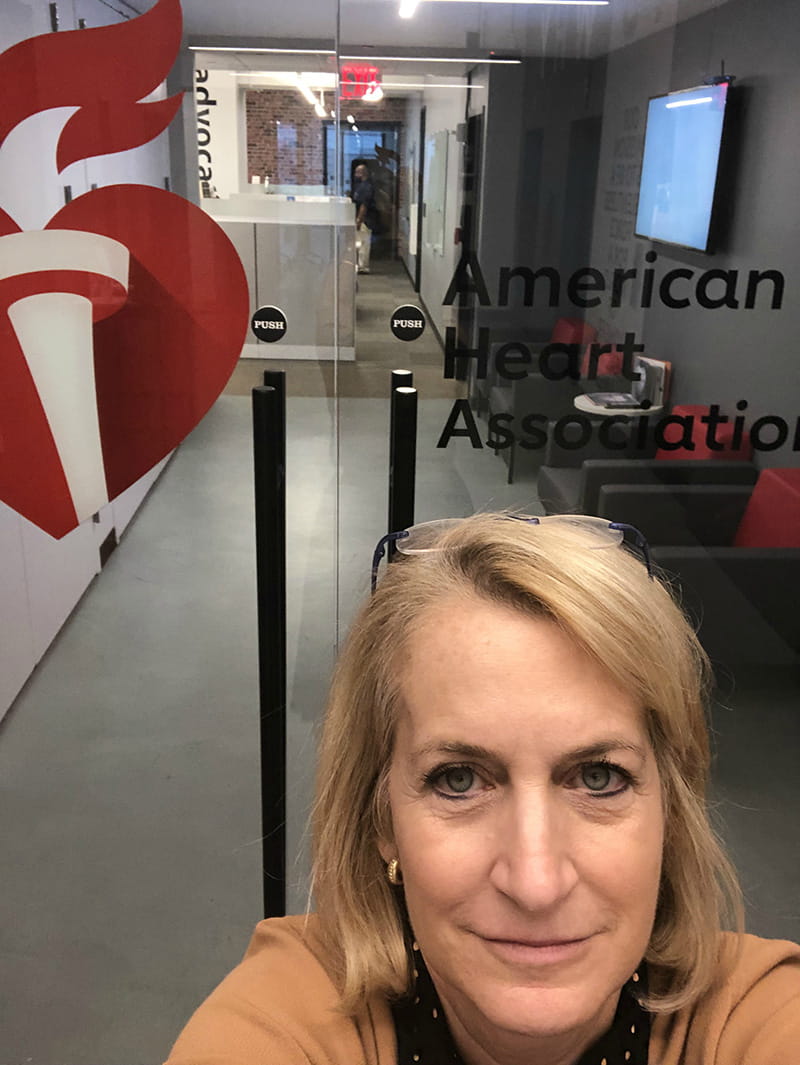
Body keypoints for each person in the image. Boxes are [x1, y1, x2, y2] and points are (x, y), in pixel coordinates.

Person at [165, 513, 800, 1065]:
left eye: (599, 777)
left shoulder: (754, 1012)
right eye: (458, 781)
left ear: (671, 807)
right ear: (380, 814)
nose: (535, 882)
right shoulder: (289, 1015)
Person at [352, 162, 378, 274]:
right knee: (360, 242)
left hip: (365, 220)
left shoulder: (367, 187)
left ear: (362, 173)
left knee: (363, 243)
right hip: (362, 218)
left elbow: (364, 205)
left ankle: (363, 266)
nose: (354, 174)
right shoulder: (360, 186)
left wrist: (359, 220)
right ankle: (360, 265)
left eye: (357, 172)